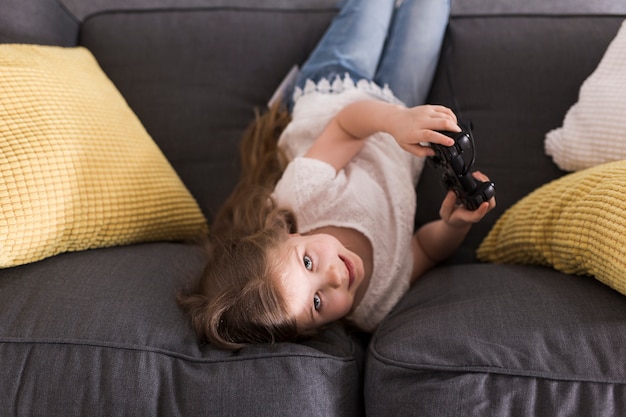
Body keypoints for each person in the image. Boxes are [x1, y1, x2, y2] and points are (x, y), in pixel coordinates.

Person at [179, 0, 496, 350]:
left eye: (308, 262)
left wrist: (395, 122)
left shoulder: (301, 198)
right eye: (317, 302)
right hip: (403, 112)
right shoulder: (375, 305)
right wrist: (455, 225)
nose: (333, 276)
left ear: (284, 235)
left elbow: (348, 127)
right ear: (312, 331)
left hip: (337, 90)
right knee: (431, 9)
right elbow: (423, 250)